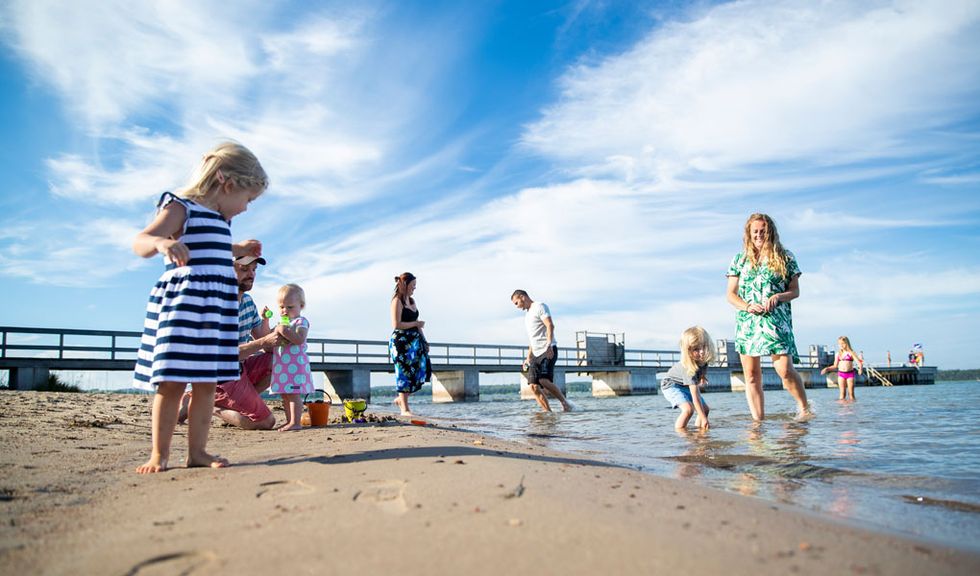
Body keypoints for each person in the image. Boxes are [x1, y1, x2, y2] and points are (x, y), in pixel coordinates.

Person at [132, 141, 268, 473]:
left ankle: (197, 452)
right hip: (185, 308)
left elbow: (217, 246)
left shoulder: (222, 221)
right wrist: (163, 242)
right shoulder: (182, 208)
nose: (246, 208)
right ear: (227, 182)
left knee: (207, 382)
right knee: (172, 381)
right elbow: (141, 241)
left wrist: (239, 247)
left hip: (215, 313)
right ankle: (158, 453)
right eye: (247, 199)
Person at [725, 213, 810, 421]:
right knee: (752, 376)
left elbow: (795, 291)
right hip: (748, 322)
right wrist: (746, 306)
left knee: (784, 370)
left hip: (776, 321)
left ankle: (804, 408)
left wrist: (779, 296)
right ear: (749, 233)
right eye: (755, 231)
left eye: (763, 231)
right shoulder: (739, 259)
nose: (759, 235)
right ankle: (758, 422)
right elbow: (730, 295)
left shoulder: (785, 257)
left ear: (770, 232)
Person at [205, 254, 280, 430]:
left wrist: (280, 333)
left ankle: (232, 402)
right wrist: (263, 342)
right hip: (220, 375)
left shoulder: (247, 301)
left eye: (254, 270)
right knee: (265, 422)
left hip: (241, 368)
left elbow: (263, 339)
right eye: (244, 269)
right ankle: (210, 406)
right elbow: (224, 356)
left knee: (279, 361)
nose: (251, 274)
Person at [511, 290, 572, 412]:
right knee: (533, 386)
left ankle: (565, 403)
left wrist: (549, 344)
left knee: (543, 380)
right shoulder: (527, 316)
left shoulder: (540, 306)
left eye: (516, 303)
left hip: (548, 350)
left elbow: (550, 325)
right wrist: (528, 357)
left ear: (522, 297)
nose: (517, 306)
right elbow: (532, 339)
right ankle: (548, 413)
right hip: (535, 354)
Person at [268, 283, 314, 431]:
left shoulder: (301, 322)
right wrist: (267, 321)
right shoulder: (281, 323)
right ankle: (290, 421)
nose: (284, 311)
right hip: (282, 366)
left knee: (294, 394)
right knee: (285, 395)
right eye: (282, 307)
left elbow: (299, 339)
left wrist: (284, 330)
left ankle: (296, 422)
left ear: (301, 306)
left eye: (290, 307)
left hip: (296, 366)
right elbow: (268, 338)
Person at [388, 272, 431, 416]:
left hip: (415, 342)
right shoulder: (397, 301)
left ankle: (401, 399)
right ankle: (405, 409)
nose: (414, 288)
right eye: (413, 285)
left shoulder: (412, 301)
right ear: (405, 285)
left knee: (420, 371)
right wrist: (416, 323)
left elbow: (418, 326)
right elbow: (396, 324)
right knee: (404, 373)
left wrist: (424, 340)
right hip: (401, 343)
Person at [661, 326, 715, 430]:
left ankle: (700, 430)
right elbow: (695, 398)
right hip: (671, 385)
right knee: (688, 409)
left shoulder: (703, 360)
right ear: (688, 351)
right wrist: (704, 419)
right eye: (696, 349)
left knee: (705, 409)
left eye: (704, 347)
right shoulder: (688, 368)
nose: (702, 352)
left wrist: (703, 376)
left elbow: (703, 369)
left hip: (685, 384)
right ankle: (681, 433)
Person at [820, 336, 862, 401]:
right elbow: (835, 366)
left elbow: (859, 362)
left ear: (847, 343)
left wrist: (860, 369)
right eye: (840, 344)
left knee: (851, 394)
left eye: (843, 343)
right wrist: (827, 369)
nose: (841, 345)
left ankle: (852, 407)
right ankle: (842, 408)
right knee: (842, 394)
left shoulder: (851, 353)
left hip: (850, 374)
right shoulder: (838, 354)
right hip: (841, 374)